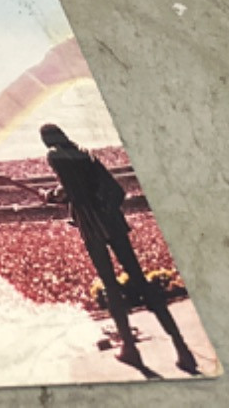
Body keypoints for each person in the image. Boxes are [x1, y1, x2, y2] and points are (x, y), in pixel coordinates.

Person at [41, 124, 202, 375]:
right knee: (140, 280)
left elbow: (72, 192)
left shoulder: (54, 155)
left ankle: (130, 347)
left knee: (111, 285)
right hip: (114, 222)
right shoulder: (84, 153)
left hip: (92, 227)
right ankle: (181, 347)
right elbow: (101, 187)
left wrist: (51, 195)